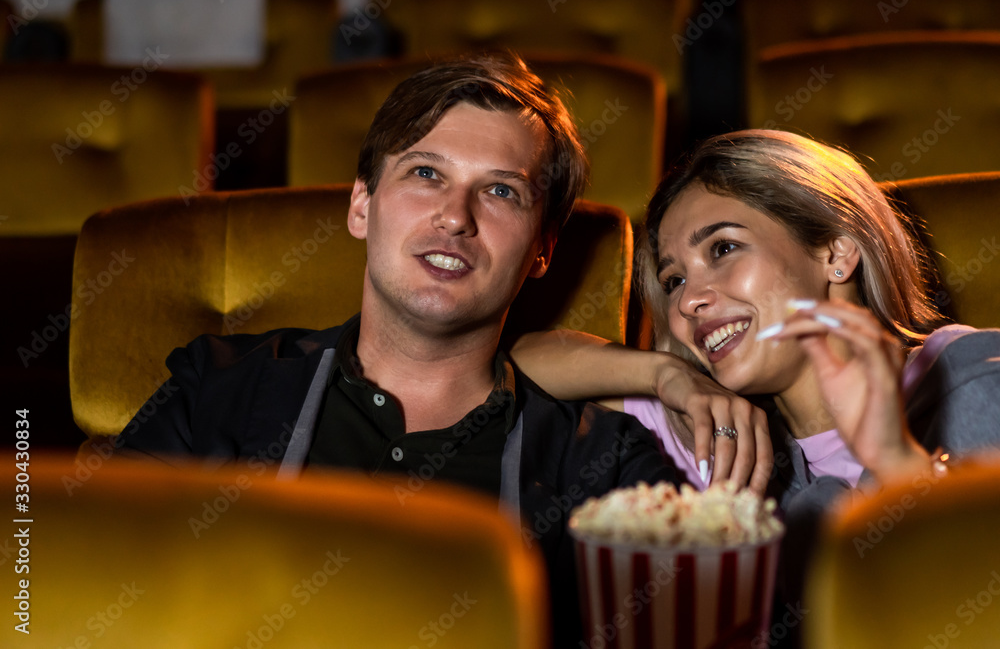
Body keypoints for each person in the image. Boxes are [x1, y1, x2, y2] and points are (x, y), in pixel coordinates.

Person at [112, 52, 756, 647]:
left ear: (542, 250)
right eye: (426, 173)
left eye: (502, 191)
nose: (455, 216)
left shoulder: (607, 470)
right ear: (362, 204)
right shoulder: (214, 390)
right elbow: (91, 596)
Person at [511, 128, 1000, 642]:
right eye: (674, 279)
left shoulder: (968, 376)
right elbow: (513, 368)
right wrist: (666, 374)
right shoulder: (714, 426)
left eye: (723, 248)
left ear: (837, 250)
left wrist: (896, 463)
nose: (688, 302)